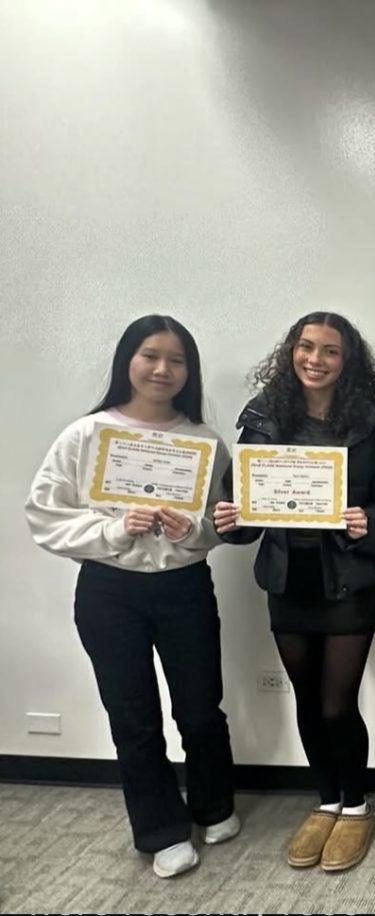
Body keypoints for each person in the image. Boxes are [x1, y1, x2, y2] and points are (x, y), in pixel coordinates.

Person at [26, 315, 238, 879]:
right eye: (151, 355)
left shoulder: (204, 442)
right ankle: (162, 831)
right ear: (128, 360)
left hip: (184, 585)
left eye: (177, 360)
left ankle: (214, 804)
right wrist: (115, 530)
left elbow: (220, 525)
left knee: (200, 707)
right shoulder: (87, 434)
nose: (163, 369)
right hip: (108, 591)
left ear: (189, 371)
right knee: (133, 716)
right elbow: (45, 516)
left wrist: (189, 531)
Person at [213, 311, 375, 873]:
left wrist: (368, 522)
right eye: (306, 347)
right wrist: (233, 519)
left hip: (348, 576)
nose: (315, 359)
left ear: (347, 361)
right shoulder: (263, 416)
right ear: (290, 352)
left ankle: (356, 807)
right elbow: (244, 507)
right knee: (306, 700)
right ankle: (325, 801)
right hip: (287, 577)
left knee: (335, 703)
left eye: (330, 351)